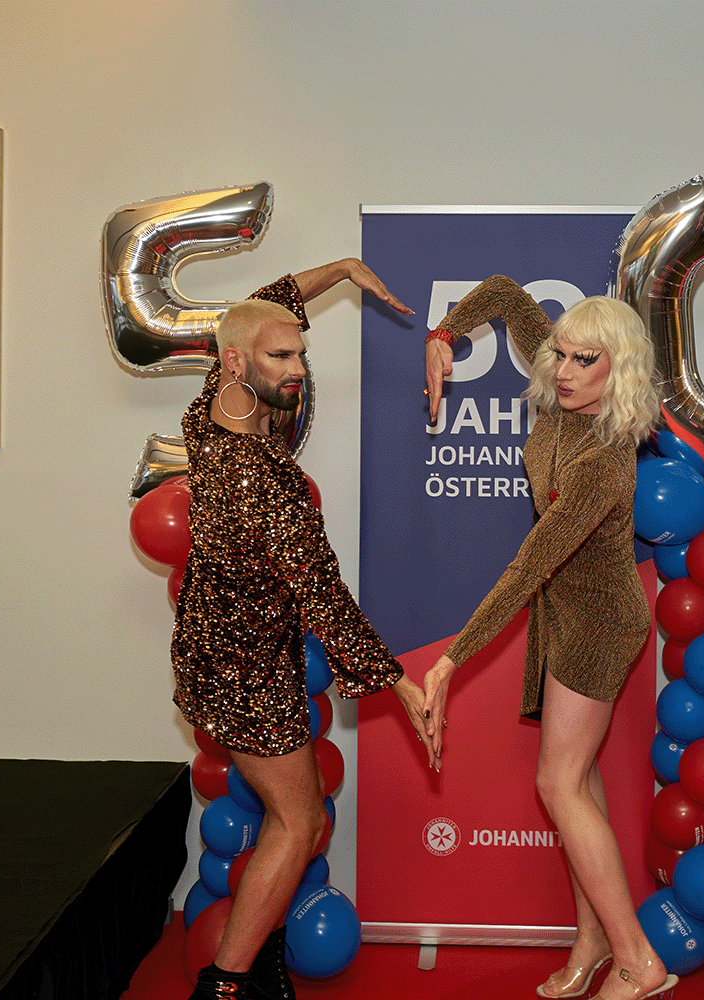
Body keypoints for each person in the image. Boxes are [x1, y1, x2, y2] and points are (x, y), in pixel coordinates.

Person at [171, 261, 434, 1000]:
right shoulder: (265, 479)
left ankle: (252, 959)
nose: (297, 370)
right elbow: (324, 594)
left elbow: (268, 306)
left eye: (301, 355)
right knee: (298, 820)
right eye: (281, 358)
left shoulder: (207, 415)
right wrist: (401, 685)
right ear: (236, 362)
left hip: (213, 659)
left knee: (294, 815)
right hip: (247, 675)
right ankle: (225, 986)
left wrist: (344, 270)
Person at [417, 276, 676, 1000]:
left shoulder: (604, 460)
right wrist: (443, 338)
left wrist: (448, 660)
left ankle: (638, 962)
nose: (560, 370)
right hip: (563, 613)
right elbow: (501, 292)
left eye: (582, 360)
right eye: (559, 354)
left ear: (615, 370)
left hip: (598, 622)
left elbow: (531, 561)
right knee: (578, 783)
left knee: (556, 783)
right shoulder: (560, 382)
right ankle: (593, 941)